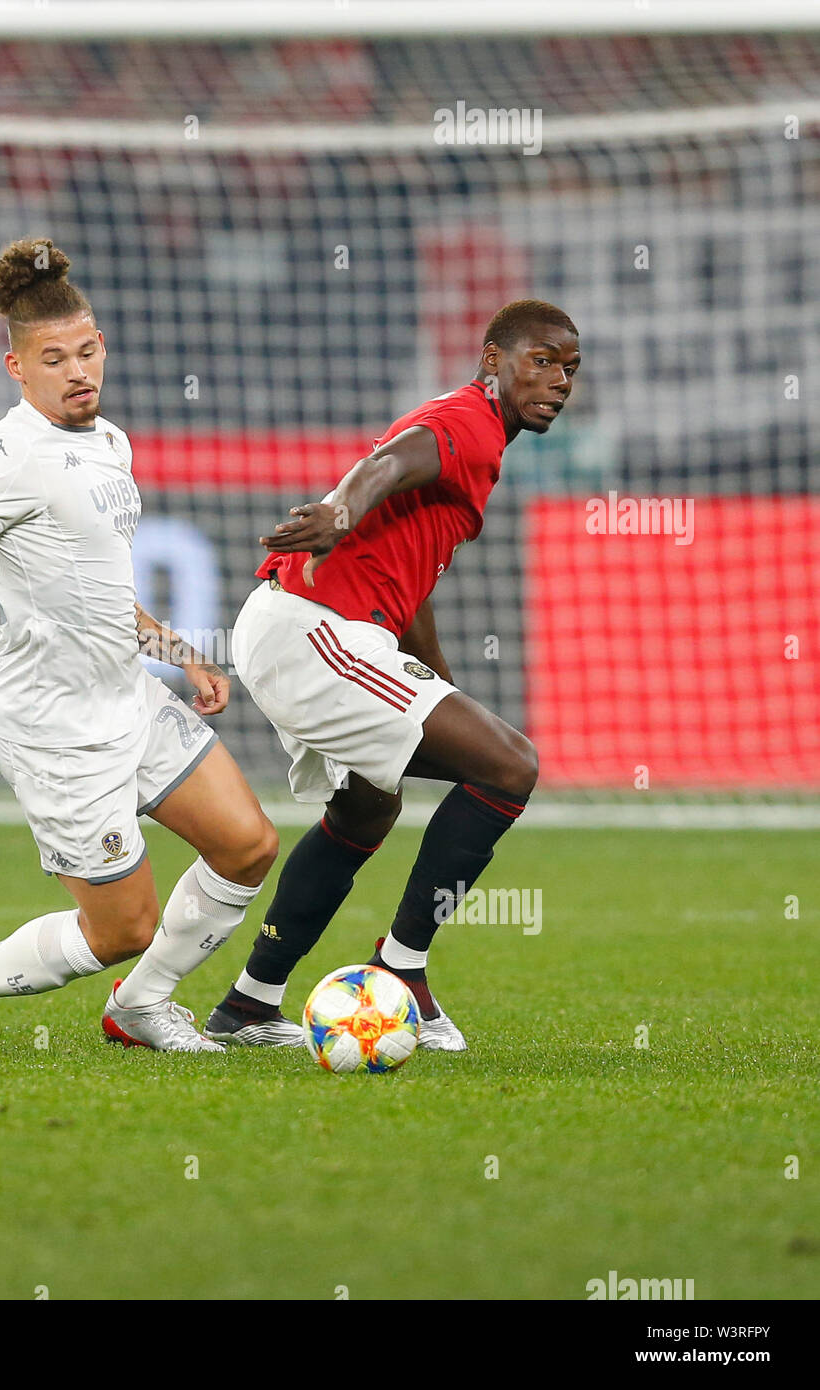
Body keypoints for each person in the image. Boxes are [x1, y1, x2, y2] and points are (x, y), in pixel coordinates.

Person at [0, 238, 278, 1051]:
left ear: (102, 345)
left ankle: (140, 1008)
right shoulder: (5, 459)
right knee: (122, 929)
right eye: (53, 359)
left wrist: (174, 651)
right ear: (18, 369)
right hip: (56, 726)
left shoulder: (110, 443)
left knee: (248, 844)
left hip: (129, 696)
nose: (77, 372)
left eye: (86, 352)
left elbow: (100, 584)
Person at [203, 300, 581, 1051]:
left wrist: (436, 684)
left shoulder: (484, 441)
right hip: (316, 634)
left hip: (320, 631)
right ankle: (403, 967)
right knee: (510, 765)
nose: (560, 380)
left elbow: (409, 586)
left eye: (570, 367)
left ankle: (249, 1004)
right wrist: (341, 511)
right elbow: (391, 460)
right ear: (492, 361)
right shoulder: (469, 420)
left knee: (367, 810)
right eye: (541, 360)